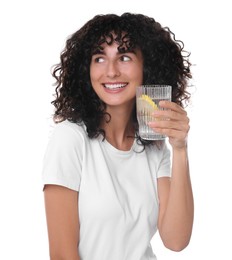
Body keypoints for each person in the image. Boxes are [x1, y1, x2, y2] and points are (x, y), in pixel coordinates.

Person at [42, 12, 194, 260]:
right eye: (99, 58)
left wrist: (180, 149)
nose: (111, 72)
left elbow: (176, 241)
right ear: (86, 69)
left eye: (124, 57)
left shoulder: (155, 147)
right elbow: (61, 255)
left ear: (148, 66)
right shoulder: (70, 139)